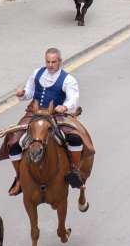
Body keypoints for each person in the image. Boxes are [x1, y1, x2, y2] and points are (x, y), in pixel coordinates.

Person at [5, 48, 84, 196]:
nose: (50, 64)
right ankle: (19, 178)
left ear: (60, 61)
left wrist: (65, 106)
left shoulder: (68, 79)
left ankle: (74, 171)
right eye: (48, 61)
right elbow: (29, 92)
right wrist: (22, 94)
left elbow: (73, 98)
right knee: (13, 143)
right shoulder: (37, 73)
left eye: (54, 62)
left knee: (75, 138)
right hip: (34, 114)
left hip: (55, 115)